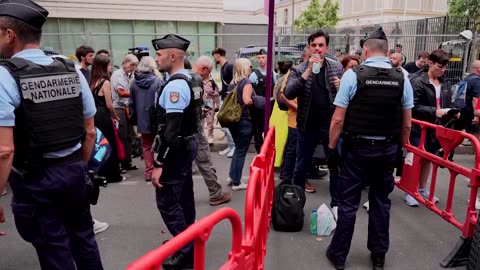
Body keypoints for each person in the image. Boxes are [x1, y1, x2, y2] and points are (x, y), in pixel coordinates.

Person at [0, 1, 104, 269]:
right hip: (73, 171)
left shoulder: (4, 76)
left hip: (36, 180)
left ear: (9, 34)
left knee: (54, 250)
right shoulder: (70, 69)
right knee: (85, 241)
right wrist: (78, 168)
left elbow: (5, 150)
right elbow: (90, 131)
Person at [326, 28, 414, 270]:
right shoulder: (402, 78)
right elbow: (406, 123)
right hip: (387, 150)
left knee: (348, 204)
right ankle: (378, 256)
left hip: (356, 150)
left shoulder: (353, 76)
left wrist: (332, 149)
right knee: (380, 202)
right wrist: (401, 150)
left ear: (365, 51)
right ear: (387, 52)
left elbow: (337, 120)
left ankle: (339, 255)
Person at [150, 34, 199, 269]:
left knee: (167, 200)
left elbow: (170, 132)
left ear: (172, 55)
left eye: (159, 54)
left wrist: (159, 165)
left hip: (176, 149)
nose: (156, 58)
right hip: (186, 145)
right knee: (184, 197)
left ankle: (186, 250)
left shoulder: (176, 85)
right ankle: (187, 241)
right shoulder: (190, 77)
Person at [284, 30, 343, 213]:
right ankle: (296, 206)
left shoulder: (336, 67)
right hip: (306, 125)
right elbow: (288, 93)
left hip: (329, 125)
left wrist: (341, 86)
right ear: (309, 48)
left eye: (321, 45)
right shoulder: (299, 69)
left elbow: (347, 98)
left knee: (335, 165)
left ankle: (336, 206)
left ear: (327, 48)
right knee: (301, 166)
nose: (317, 49)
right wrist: (308, 70)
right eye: (314, 45)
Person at [404, 49, 457, 207]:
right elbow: (412, 106)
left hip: (437, 126)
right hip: (419, 127)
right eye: (440, 66)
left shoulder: (444, 82)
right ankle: (410, 190)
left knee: (428, 158)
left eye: (445, 67)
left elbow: (447, 102)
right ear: (430, 63)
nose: (442, 70)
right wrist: (435, 111)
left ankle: (422, 188)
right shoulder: (418, 81)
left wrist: (453, 112)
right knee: (415, 158)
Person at [192, 56, 232, 205]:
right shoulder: (194, 81)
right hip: (193, 128)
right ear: (204, 69)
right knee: (204, 161)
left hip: (184, 129)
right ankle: (215, 193)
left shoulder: (185, 79)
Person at [129, 56, 164, 182]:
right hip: (157, 120)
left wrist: (134, 120)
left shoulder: (133, 83)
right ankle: (160, 170)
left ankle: (149, 172)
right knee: (161, 144)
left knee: (147, 146)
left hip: (142, 120)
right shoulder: (158, 82)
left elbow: (131, 104)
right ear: (152, 67)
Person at [225, 58, 255, 191]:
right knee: (241, 151)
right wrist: (257, 101)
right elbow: (247, 101)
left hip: (232, 120)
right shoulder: (246, 82)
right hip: (243, 120)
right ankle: (237, 182)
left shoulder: (233, 83)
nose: (251, 69)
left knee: (238, 149)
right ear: (244, 68)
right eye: (249, 66)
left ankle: (232, 176)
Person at [111, 54, 139, 172]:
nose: (133, 67)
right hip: (119, 108)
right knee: (122, 136)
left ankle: (127, 162)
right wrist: (136, 93)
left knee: (128, 136)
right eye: (131, 65)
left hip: (126, 107)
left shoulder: (128, 75)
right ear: (125, 63)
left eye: (134, 65)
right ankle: (122, 163)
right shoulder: (118, 75)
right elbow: (121, 92)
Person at [249, 49, 278, 153]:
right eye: (259, 58)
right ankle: (260, 152)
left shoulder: (273, 74)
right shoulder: (253, 75)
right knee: (258, 130)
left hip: (270, 105)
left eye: (263, 57)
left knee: (269, 130)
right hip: (258, 108)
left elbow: (275, 89)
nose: (261, 60)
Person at [212, 47, 235, 157]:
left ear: (218, 55)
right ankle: (231, 146)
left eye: (214, 56)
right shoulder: (224, 68)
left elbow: (233, 84)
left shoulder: (229, 67)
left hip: (228, 100)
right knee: (223, 124)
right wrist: (219, 93)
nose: (214, 59)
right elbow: (226, 86)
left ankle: (233, 146)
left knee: (225, 124)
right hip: (224, 98)